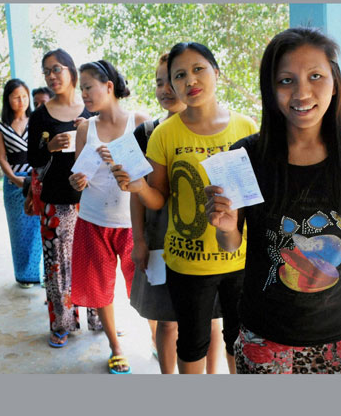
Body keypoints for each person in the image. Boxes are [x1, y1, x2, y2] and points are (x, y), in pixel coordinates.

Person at [205, 27, 341, 374]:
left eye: (315, 76)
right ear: (270, 88)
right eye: (286, 81)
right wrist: (226, 227)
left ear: (334, 83)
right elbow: (231, 244)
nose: (302, 92)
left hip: (339, 337)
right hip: (264, 335)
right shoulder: (245, 157)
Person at [112, 42, 258, 374]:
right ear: (173, 84)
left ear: (216, 73)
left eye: (198, 69)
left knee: (240, 339)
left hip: (240, 258)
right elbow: (159, 198)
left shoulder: (246, 127)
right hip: (187, 262)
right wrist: (138, 187)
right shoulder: (163, 134)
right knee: (191, 342)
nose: (190, 80)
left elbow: (255, 195)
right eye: (180, 75)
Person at [127, 53, 225, 374]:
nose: (166, 89)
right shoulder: (146, 133)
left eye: (171, 80)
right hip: (159, 237)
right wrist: (139, 239)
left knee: (210, 319)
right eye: (159, 82)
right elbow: (137, 195)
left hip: (206, 242)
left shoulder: (218, 131)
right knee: (166, 321)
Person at [68, 60, 149, 373]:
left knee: (144, 287)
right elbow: (79, 176)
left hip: (132, 223)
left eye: (88, 87)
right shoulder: (85, 128)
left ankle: (157, 337)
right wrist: (77, 182)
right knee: (100, 288)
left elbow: (150, 175)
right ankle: (115, 346)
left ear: (109, 87)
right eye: (82, 89)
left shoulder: (140, 122)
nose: (84, 95)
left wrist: (120, 160)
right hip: (92, 220)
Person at [27, 48, 101, 348]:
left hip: (93, 197)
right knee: (57, 264)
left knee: (95, 259)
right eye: (46, 71)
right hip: (56, 200)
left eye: (56, 69)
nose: (51, 76)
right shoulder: (40, 115)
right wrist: (50, 147)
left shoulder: (92, 109)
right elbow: (32, 157)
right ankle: (61, 322)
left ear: (71, 70)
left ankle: (101, 318)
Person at [0, 79, 43, 288]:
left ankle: (41, 273)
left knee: (39, 228)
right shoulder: (1, 127)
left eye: (24, 96)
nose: (21, 100)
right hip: (13, 183)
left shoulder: (37, 121)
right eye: (16, 97)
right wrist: (15, 179)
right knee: (19, 230)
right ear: (8, 99)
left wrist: (34, 179)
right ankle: (24, 275)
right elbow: (2, 157)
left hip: (36, 179)